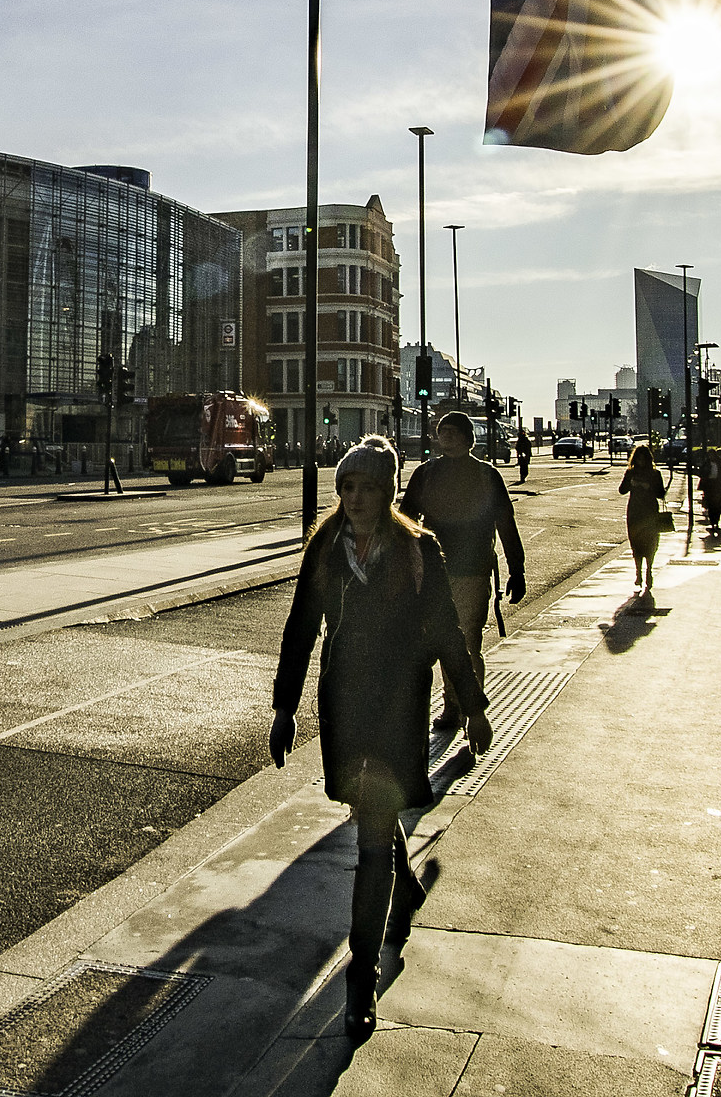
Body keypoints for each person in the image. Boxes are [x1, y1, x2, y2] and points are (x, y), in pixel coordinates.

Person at [269, 439, 490, 1040]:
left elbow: (447, 632)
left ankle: (359, 980)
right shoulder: (325, 548)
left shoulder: (418, 549)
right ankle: (409, 887)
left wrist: (471, 706)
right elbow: (300, 627)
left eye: (367, 487)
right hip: (344, 704)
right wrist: (285, 706)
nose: (356, 499)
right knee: (374, 805)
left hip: (398, 706)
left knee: (369, 842)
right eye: (346, 488)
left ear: (389, 490)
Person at [397, 412, 527, 733]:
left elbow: (506, 524)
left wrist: (517, 569)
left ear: (470, 439)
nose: (448, 438)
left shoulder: (487, 476)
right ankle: (453, 705)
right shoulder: (425, 475)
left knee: (468, 641)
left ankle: (469, 709)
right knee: (441, 640)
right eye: (443, 433)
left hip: (474, 571)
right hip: (433, 574)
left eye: (454, 433)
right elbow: (405, 522)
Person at [619, 443, 669, 600]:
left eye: (643, 459)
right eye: (638, 459)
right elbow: (621, 490)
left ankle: (649, 571)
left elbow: (661, 493)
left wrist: (649, 487)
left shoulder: (655, 474)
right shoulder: (630, 473)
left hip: (649, 512)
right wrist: (630, 483)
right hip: (634, 512)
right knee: (636, 543)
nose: (640, 462)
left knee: (651, 543)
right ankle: (638, 572)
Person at [699, 454, 721, 538]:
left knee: (718, 506)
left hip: (717, 486)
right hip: (710, 487)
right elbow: (702, 473)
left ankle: (716, 523)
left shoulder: (719, 465)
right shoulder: (707, 464)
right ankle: (713, 524)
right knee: (711, 506)